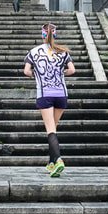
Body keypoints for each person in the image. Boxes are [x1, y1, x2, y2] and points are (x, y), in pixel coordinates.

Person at [24, 23, 76, 177]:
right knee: (53, 128)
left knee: (50, 130)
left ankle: (58, 160)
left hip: (45, 93)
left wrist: (37, 75)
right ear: (55, 34)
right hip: (61, 94)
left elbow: (26, 71)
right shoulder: (63, 51)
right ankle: (51, 163)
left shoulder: (33, 52)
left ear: (42, 34)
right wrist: (60, 74)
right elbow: (72, 70)